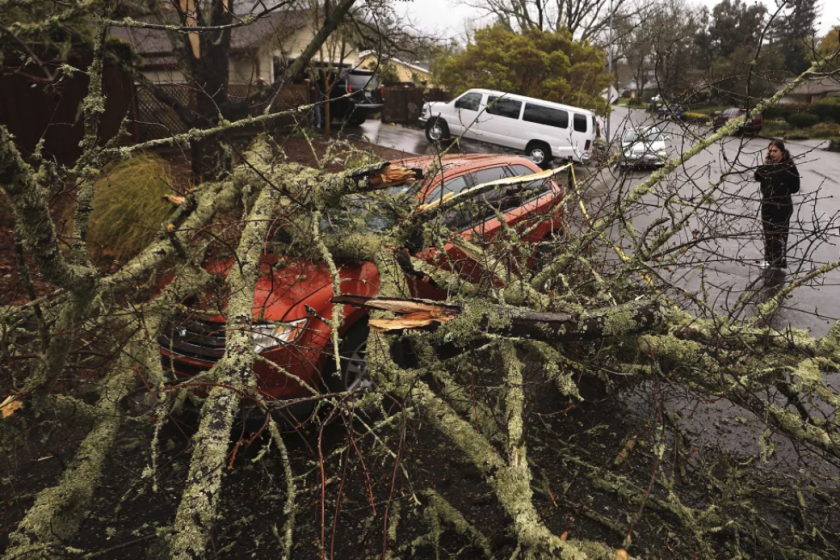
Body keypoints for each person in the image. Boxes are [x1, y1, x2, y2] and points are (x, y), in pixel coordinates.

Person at [754, 140, 800, 268]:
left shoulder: (788, 166)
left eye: (775, 151)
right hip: (767, 203)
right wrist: (765, 165)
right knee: (768, 232)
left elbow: (795, 187)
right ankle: (768, 259)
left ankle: (779, 261)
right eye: (770, 151)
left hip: (782, 205)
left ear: (782, 152)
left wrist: (782, 186)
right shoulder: (769, 165)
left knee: (778, 233)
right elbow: (757, 176)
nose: (772, 153)